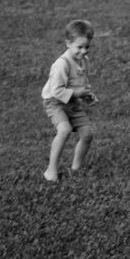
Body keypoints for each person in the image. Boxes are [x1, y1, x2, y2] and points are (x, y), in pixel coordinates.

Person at [41, 20, 98, 182]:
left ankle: (76, 167)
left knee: (87, 134)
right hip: (55, 102)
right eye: (79, 47)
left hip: (72, 102)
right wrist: (77, 92)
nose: (84, 51)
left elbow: (83, 82)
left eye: (87, 47)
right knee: (64, 130)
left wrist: (87, 94)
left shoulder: (84, 60)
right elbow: (56, 91)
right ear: (68, 43)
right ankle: (51, 170)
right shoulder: (62, 64)